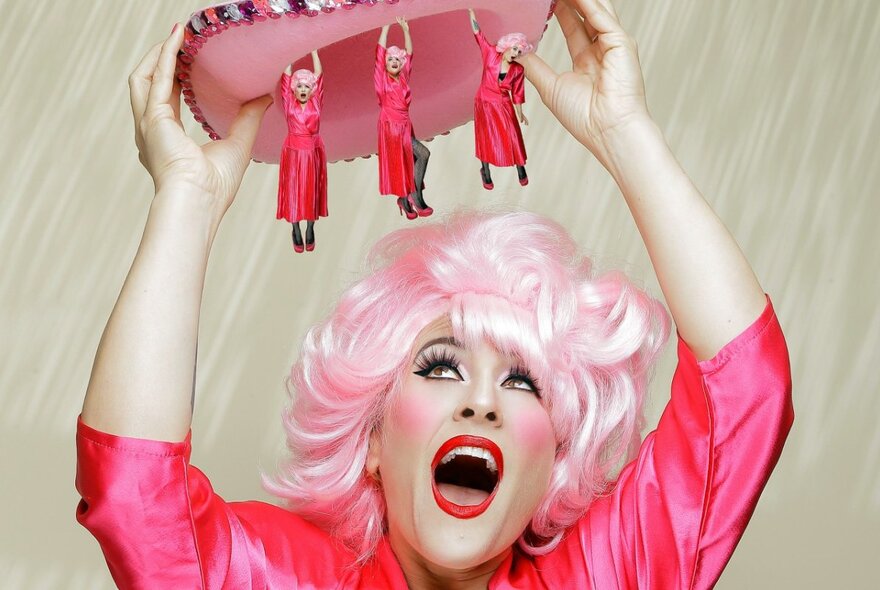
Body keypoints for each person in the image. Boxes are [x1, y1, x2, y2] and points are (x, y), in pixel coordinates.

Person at [77, 1, 793, 588]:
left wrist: (624, 134)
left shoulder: (608, 575)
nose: (480, 402)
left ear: (556, 463)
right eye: (440, 367)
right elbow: (139, 499)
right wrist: (186, 205)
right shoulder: (292, 579)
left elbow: (743, 391)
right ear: (374, 443)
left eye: (522, 382)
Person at [374, 17, 433, 219]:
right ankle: (414, 196)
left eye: (397, 60)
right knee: (422, 154)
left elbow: (409, 54)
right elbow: (380, 51)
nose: (394, 62)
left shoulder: (404, 77)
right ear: (385, 63)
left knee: (410, 160)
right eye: (390, 60)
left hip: (405, 124)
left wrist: (406, 30)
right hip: (390, 126)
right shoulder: (381, 78)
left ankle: (406, 199)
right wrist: (386, 26)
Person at [467, 8, 532, 190]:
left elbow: (517, 93)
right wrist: (471, 12)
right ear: (506, 46)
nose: (516, 53)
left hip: (503, 104)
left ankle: (521, 169)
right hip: (484, 102)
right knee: (485, 137)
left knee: (512, 135)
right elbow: (478, 34)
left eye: (519, 51)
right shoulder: (490, 54)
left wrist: (520, 113)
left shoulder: (518, 70)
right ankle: (485, 170)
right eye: (514, 48)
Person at [277, 50, 326, 252]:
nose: (303, 89)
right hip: (294, 152)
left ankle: (310, 227)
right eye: (299, 86)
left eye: (307, 86)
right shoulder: (289, 103)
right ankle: (295, 227)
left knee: (311, 191)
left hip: (312, 150)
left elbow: (320, 75)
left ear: (312, 89)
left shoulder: (316, 103)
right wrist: (292, 47)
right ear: (293, 90)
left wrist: (313, 50)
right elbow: (286, 76)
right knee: (294, 191)